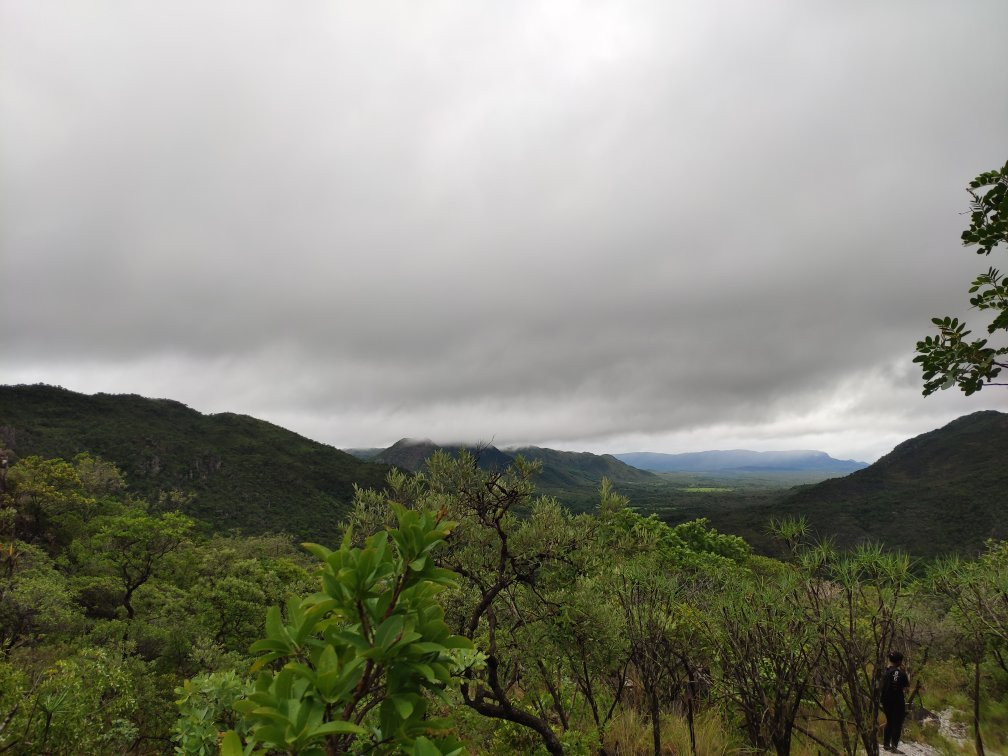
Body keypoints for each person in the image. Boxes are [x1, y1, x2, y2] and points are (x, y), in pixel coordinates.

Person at [880, 650, 910, 752]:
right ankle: (894, 747)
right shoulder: (901, 673)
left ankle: (886, 745)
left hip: (885, 701)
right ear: (899, 661)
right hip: (897, 702)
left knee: (889, 721)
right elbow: (906, 687)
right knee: (897, 723)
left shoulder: (884, 671)